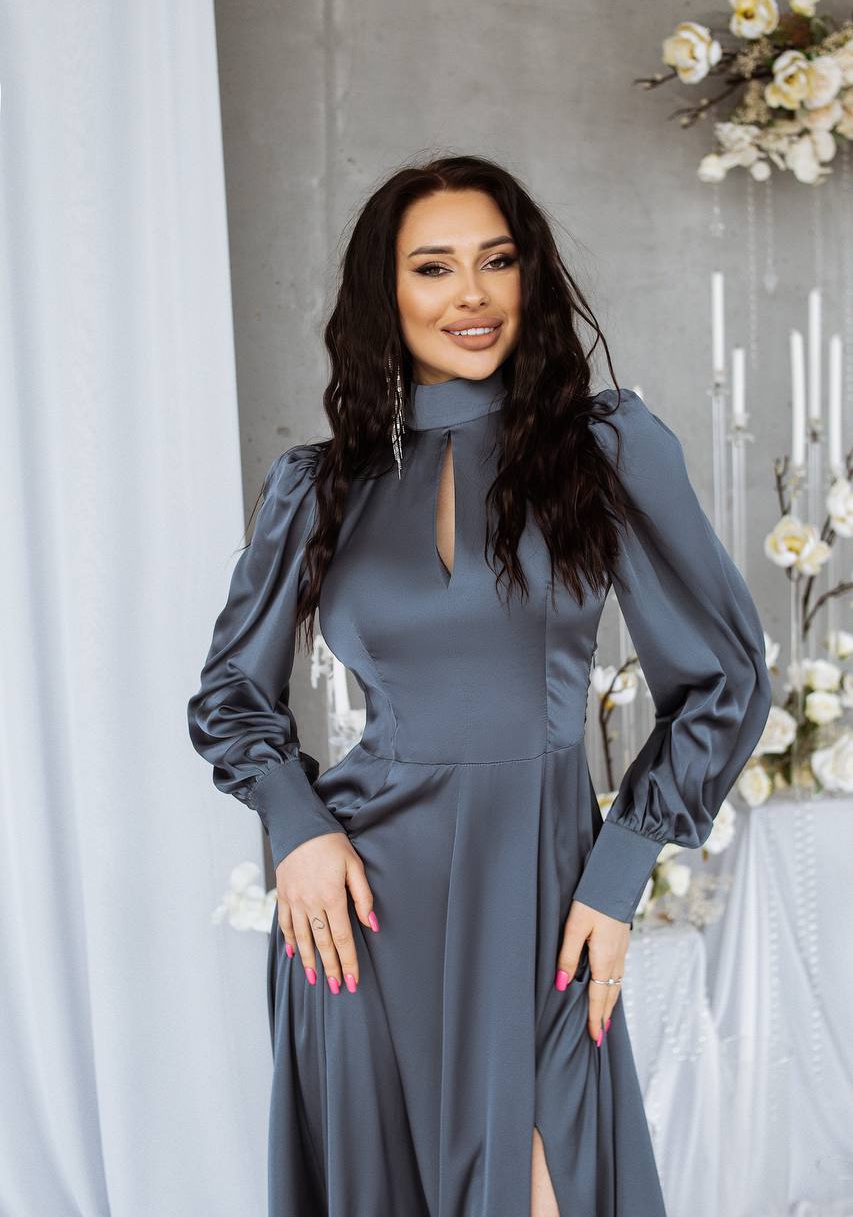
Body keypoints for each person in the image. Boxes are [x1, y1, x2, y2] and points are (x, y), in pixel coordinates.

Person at [186, 155, 772, 1217]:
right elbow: (232, 689)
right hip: (360, 910)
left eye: (496, 261)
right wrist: (298, 826)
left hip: (542, 899)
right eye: (433, 267)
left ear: (529, 276)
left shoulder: (605, 448)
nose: (471, 294)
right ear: (385, 293)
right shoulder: (317, 486)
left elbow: (725, 673)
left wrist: (619, 869)